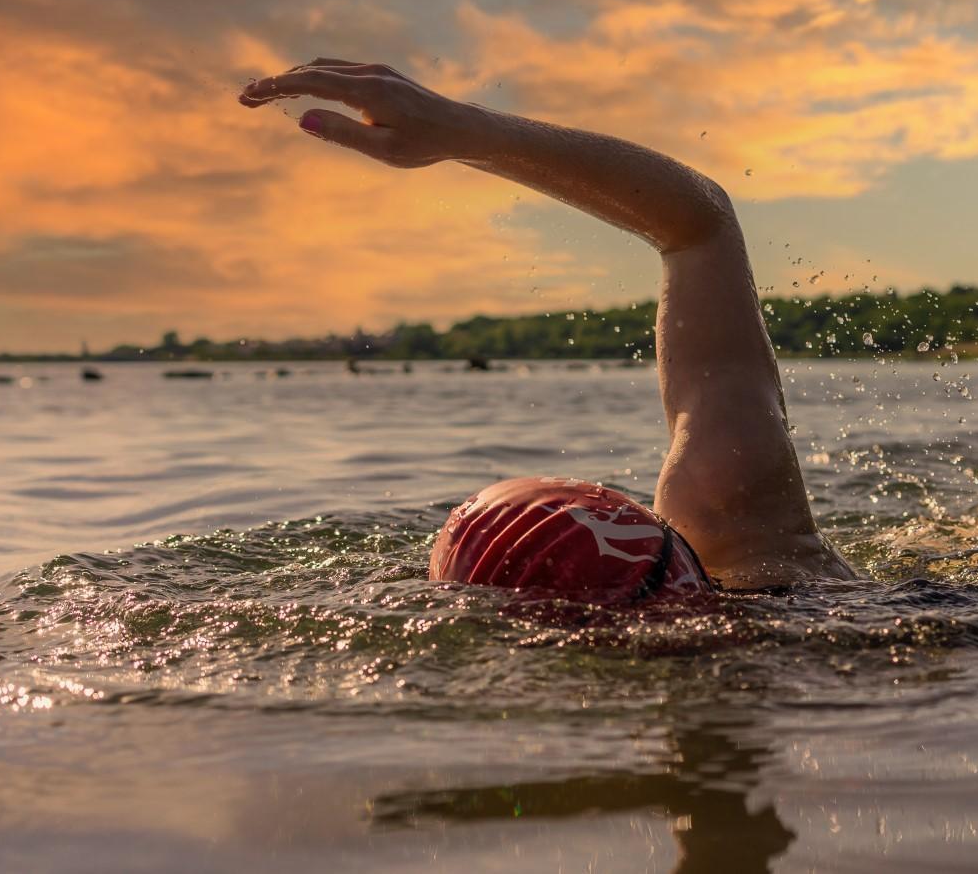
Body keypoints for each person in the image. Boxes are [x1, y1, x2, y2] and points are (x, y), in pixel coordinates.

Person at [239, 59, 856, 597]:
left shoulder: (745, 549)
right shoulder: (747, 538)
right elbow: (701, 224)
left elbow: (700, 229)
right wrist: (464, 130)